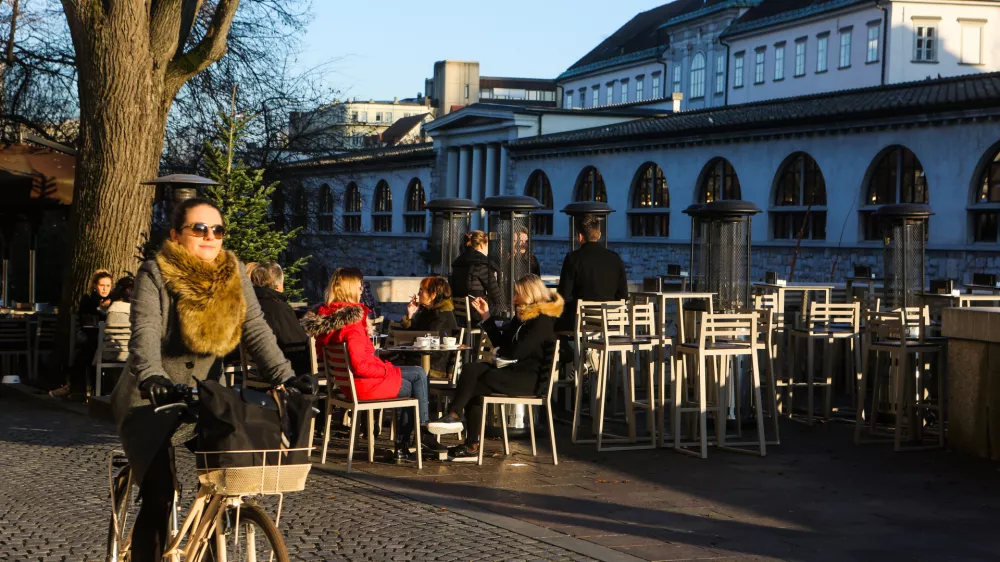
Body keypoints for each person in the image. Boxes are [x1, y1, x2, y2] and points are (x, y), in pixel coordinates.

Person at [110, 197, 314, 562]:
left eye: (217, 230)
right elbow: (145, 330)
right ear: (176, 235)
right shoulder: (155, 272)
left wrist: (286, 377)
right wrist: (153, 376)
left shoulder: (233, 272)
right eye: (199, 229)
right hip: (150, 400)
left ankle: (206, 541)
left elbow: (255, 329)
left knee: (230, 473)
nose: (209, 236)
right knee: (160, 495)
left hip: (202, 397)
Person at [302, 267, 446, 461]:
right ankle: (416, 439)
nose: (362, 290)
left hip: (346, 384)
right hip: (363, 385)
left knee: (418, 372)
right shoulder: (351, 323)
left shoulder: (328, 317)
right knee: (415, 383)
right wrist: (386, 369)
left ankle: (413, 440)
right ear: (351, 289)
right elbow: (360, 365)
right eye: (360, 286)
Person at [428, 274, 563, 461]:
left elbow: (514, 352)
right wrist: (486, 316)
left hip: (528, 381)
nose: (514, 298)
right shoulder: (522, 315)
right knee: (471, 379)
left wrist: (500, 353)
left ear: (530, 294)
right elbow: (502, 342)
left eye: (518, 294)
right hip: (514, 373)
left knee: (472, 373)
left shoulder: (541, 321)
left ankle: (457, 420)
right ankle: (467, 437)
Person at [555, 214, 629, 333]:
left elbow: (564, 295)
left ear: (579, 237)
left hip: (581, 322)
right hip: (610, 322)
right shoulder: (615, 258)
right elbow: (623, 295)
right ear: (599, 235)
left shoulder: (573, 258)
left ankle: (570, 351)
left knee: (552, 324)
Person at [50, 269, 114, 398]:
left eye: (108, 285)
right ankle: (78, 389)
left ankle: (78, 388)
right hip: (90, 337)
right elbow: (87, 317)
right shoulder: (88, 299)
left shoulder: (114, 302)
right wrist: (100, 309)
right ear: (95, 286)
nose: (105, 289)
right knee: (86, 351)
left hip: (108, 340)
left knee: (87, 352)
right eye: (102, 285)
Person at [250, 262, 312, 375]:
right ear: (278, 285)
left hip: (255, 368)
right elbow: (295, 346)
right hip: (281, 370)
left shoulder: (250, 305)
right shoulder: (279, 308)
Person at [399, 276, 458, 380]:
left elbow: (427, 342)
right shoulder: (429, 312)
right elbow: (413, 336)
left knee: (392, 369)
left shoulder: (442, 316)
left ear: (433, 294)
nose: (418, 294)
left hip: (434, 367)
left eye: (422, 290)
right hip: (421, 361)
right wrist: (411, 315)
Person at [449, 230, 502, 323]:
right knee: (503, 311)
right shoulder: (481, 265)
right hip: (478, 312)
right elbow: (496, 295)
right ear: (482, 244)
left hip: (460, 313)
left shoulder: (458, 263)